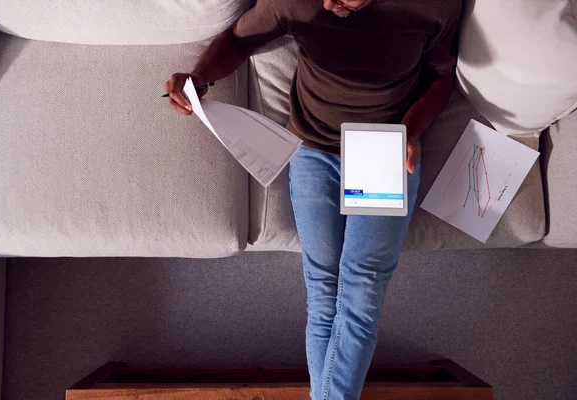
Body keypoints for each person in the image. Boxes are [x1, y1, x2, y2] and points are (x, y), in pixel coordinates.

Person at [166, 1, 461, 398]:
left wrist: (411, 130)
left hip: (384, 146)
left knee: (362, 288)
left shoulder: (433, 6)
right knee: (324, 287)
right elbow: (237, 42)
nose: (327, 4)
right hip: (313, 148)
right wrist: (199, 78)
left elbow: (441, 80)